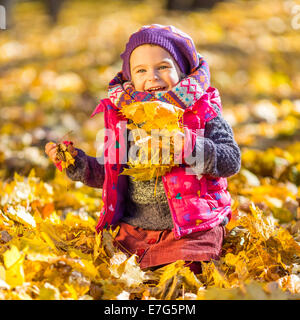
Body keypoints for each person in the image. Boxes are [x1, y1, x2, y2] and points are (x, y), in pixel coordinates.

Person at [45, 24, 241, 274]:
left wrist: (192, 145)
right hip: (137, 225)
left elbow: (231, 161)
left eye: (163, 67)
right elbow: (111, 173)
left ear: (181, 71)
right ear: (130, 79)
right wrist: (77, 163)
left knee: (190, 262)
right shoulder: (125, 117)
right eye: (141, 70)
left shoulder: (202, 112)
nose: (152, 77)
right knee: (109, 259)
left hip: (193, 223)